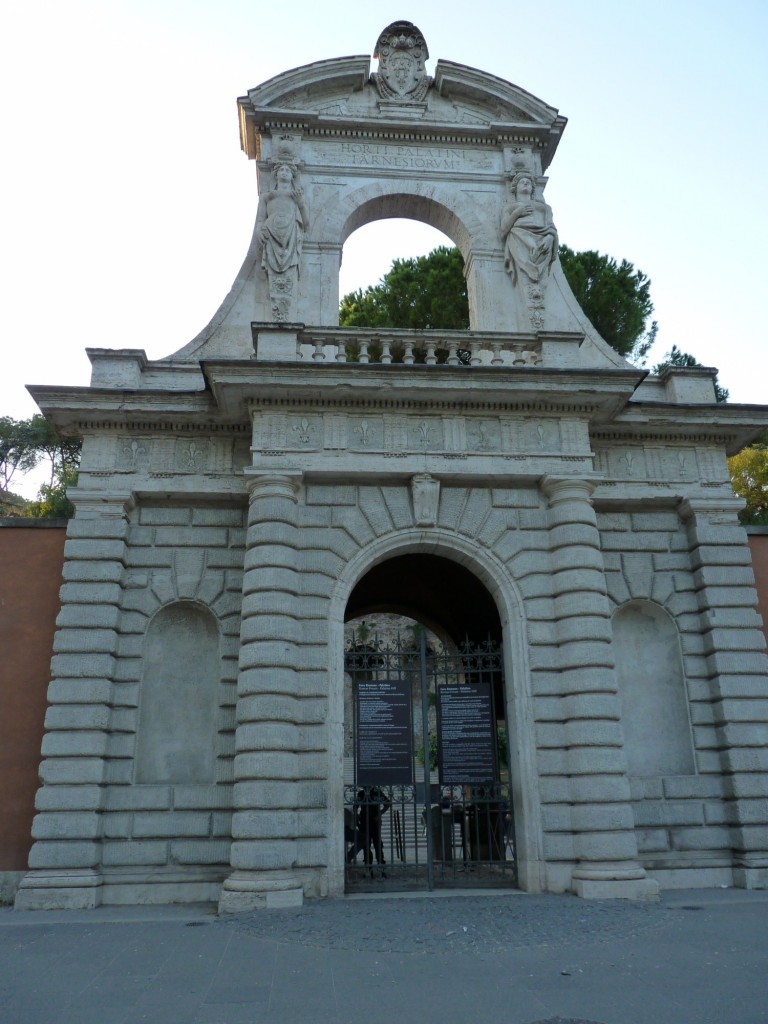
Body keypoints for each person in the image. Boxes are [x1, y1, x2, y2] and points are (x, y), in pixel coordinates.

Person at [500, 172, 558, 286]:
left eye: (528, 182)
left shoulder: (545, 208)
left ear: (533, 188)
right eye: (522, 182)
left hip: (543, 240)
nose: (525, 183)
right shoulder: (509, 208)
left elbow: (551, 227)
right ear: (515, 188)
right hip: (519, 238)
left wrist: (550, 238)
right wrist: (517, 213)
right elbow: (503, 230)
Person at [346, 786, 391, 876]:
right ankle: (368, 867)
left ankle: (380, 866)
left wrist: (380, 813)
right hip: (364, 822)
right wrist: (357, 816)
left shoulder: (377, 792)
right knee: (366, 845)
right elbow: (355, 807)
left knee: (377, 844)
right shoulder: (361, 793)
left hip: (374, 822)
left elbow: (387, 803)